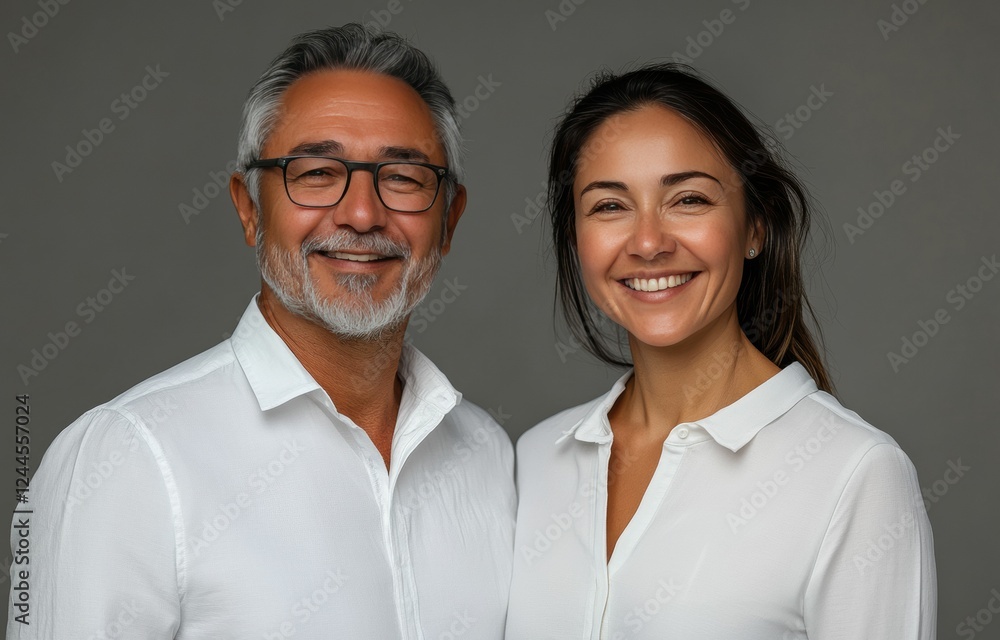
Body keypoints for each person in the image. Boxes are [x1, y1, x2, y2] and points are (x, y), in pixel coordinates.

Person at [7, 24, 515, 639]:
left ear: (450, 219)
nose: (361, 214)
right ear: (249, 208)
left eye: (403, 178)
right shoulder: (126, 461)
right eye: (317, 172)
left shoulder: (488, 457)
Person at [505, 64, 936, 639]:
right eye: (610, 206)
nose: (649, 242)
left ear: (755, 226)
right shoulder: (534, 460)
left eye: (688, 199)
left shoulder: (855, 475)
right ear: (575, 239)